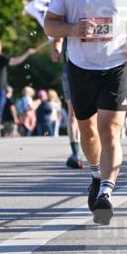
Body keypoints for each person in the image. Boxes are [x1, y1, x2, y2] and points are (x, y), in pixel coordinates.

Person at [44, 0, 127, 225]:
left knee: (110, 128)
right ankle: (95, 174)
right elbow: (50, 25)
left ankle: (106, 192)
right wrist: (72, 30)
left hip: (116, 64)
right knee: (88, 132)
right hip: (81, 66)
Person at [0, 38, 35, 139]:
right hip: (1, 89)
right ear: (0, 47)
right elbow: (15, 61)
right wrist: (27, 53)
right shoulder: (2, 58)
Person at [52, 37, 86, 168]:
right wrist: (56, 49)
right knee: (73, 113)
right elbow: (58, 37)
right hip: (70, 70)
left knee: (92, 114)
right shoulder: (67, 22)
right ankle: (76, 153)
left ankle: (96, 150)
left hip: (93, 69)